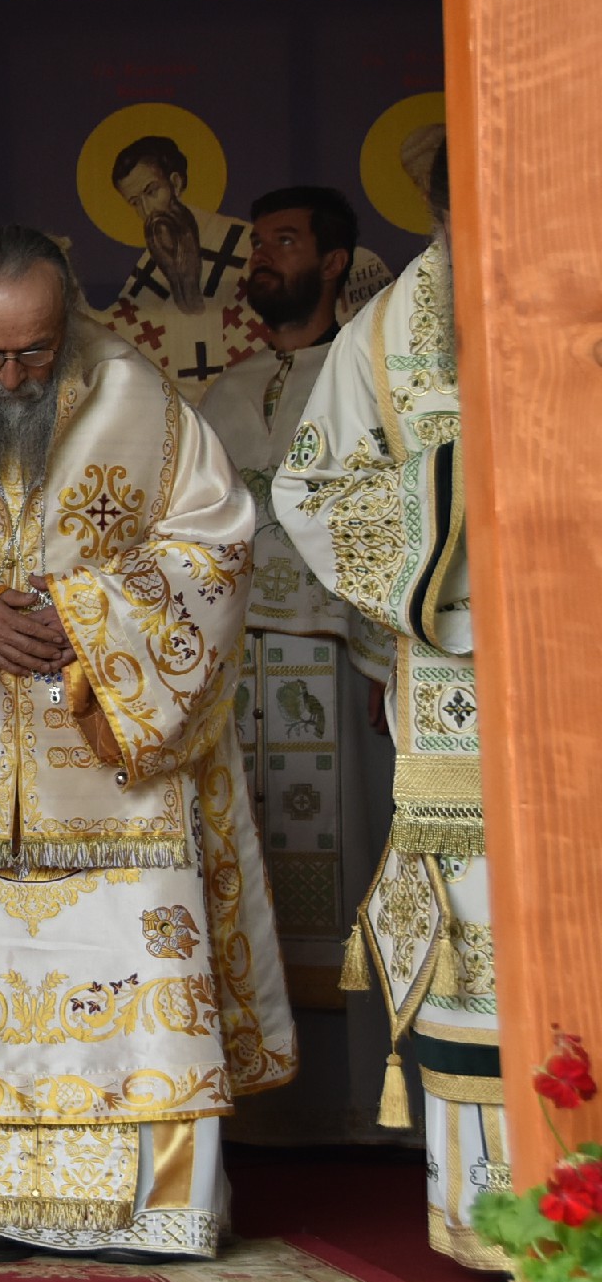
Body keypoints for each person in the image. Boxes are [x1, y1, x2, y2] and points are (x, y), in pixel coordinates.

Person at [0, 225, 293, 1263]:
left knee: (131, 969)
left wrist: (87, 614)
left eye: (31, 351)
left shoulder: (142, 403)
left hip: (113, 756)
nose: (8, 376)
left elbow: (216, 543)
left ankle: (157, 1208)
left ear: (67, 318)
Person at [272, 143, 506, 1271]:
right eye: (470, 212)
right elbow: (312, 491)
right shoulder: (387, 335)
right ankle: (510, 1225)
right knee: (480, 953)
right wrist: (460, 485)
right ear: (442, 212)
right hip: (468, 692)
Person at [198, 188, 399, 1145]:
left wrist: (388, 654)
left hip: (333, 663)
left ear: (332, 261)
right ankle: (263, 1111)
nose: (263, 261)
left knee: (351, 872)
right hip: (236, 677)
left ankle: (362, 1103)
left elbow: (388, 526)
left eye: (286, 243)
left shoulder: (369, 380)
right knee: (249, 870)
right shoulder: (222, 394)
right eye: (258, 246)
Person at [100, 138, 393, 403]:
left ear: (175, 183)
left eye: (285, 241)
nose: (260, 255)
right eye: (135, 203)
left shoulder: (367, 384)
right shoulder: (229, 393)